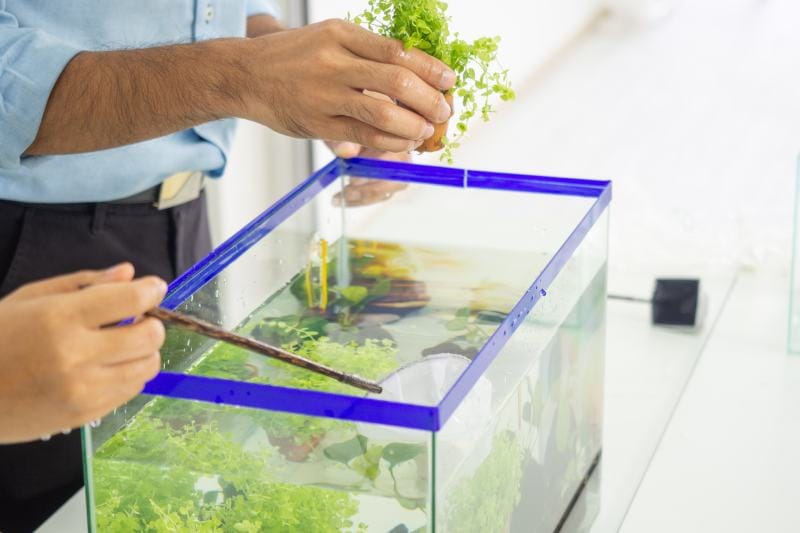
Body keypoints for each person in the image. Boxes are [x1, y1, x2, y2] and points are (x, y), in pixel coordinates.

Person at [0, 1, 455, 530]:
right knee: (64, 506)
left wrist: (315, 79)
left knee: (180, 490)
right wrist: (243, 75)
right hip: (32, 254)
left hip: (184, 225)